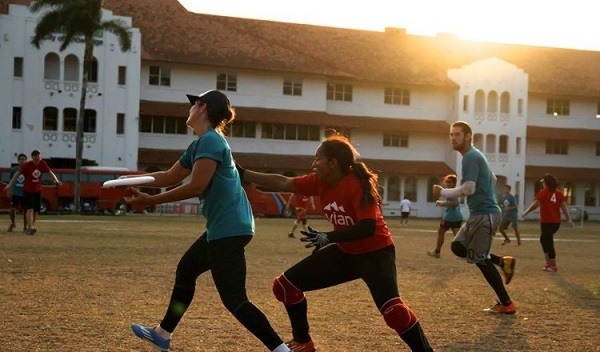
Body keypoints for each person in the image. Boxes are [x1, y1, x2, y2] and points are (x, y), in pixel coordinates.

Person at [125, 90, 292, 352]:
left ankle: (281, 350)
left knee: (235, 299)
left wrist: (150, 201)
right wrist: (133, 179)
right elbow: (169, 177)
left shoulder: (212, 142)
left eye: (194, 105)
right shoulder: (201, 144)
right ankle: (162, 333)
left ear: (202, 108)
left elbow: (196, 186)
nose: (189, 109)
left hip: (229, 228)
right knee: (186, 271)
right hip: (224, 227)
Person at [238, 133, 433, 352]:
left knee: (394, 312)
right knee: (285, 287)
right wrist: (244, 174)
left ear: (333, 163)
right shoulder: (319, 182)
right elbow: (283, 181)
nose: (313, 164)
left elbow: (367, 227)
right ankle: (304, 342)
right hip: (346, 252)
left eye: (317, 159)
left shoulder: (358, 183)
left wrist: (329, 237)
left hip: (375, 253)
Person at [432, 121, 517, 314]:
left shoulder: (470, 157)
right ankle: (504, 262)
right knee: (457, 246)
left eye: (457, 134)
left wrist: (443, 191)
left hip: (485, 214)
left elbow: (469, 188)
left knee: (481, 260)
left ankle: (507, 304)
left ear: (468, 136)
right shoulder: (475, 156)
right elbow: (492, 178)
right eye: (451, 135)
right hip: (479, 214)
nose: (453, 138)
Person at [522, 173, 573, 272]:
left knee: (548, 242)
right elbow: (563, 207)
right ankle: (548, 263)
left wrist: (526, 212)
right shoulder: (558, 193)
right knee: (543, 239)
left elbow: (535, 204)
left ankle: (553, 266)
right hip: (555, 223)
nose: (543, 184)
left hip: (547, 222)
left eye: (543, 182)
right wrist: (568, 218)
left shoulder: (544, 192)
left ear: (546, 183)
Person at [5, 149, 61, 235]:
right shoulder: (27, 165)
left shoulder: (43, 163)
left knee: (35, 211)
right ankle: (28, 228)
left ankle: (30, 226)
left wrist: (56, 180)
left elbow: (50, 172)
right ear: (32, 157)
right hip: (27, 191)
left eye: (38, 155)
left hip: (37, 191)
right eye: (35, 156)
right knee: (29, 209)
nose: (37, 157)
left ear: (40, 157)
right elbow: (17, 174)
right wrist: (9, 185)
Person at [427, 174, 463, 258]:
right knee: (457, 236)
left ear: (454, 183)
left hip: (450, 217)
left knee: (441, 232)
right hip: (457, 217)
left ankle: (437, 252)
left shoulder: (452, 191)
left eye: (449, 182)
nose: (447, 183)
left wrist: (442, 203)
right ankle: (463, 253)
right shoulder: (451, 191)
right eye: (446, 181)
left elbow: (456, 203)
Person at [6, 153, 27, 233]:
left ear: (26, 160)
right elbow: (11, 181)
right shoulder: (14, 170)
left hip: (25, 193)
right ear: (18, 160)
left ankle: (25, 227)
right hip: (15, 193)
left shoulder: (28, 169)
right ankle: (13, 223)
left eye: (24, 159)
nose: (22, 160)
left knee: (25, 211)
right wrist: (9, 190)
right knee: (11, 210)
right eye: (21, 159)